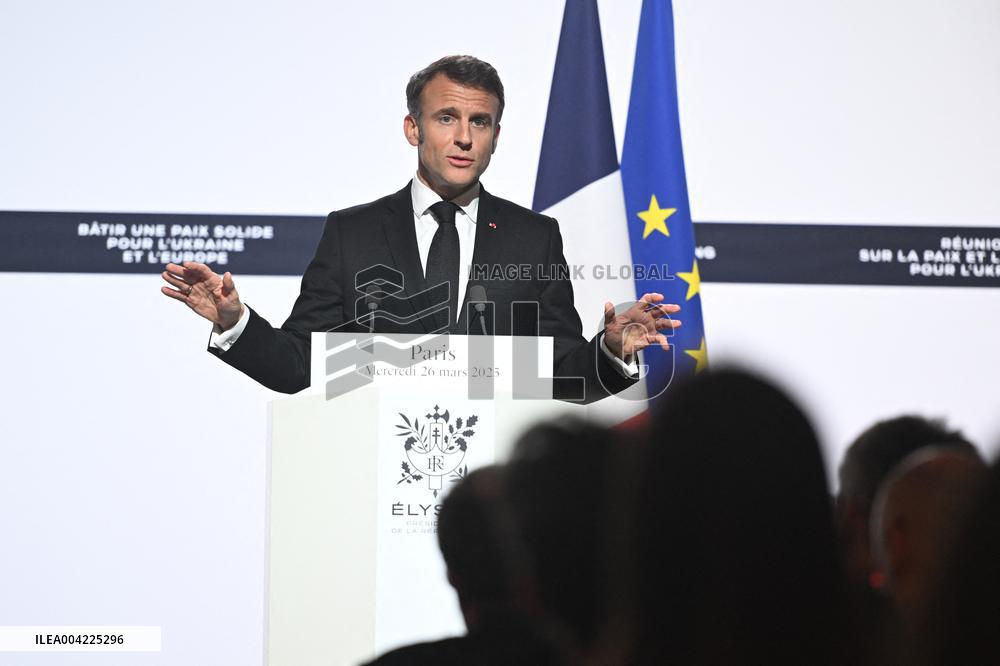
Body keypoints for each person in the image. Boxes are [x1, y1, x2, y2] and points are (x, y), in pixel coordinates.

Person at [160, 55, 681, 402]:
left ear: (496, 136)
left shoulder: (534, 237)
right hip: (373, 495)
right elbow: (300, 365)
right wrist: (235, 322)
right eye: (446, 118)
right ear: (413, 128)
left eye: (480, 123)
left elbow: (561, 373)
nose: (463, 138)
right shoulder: (351, 233)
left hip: (494, 500)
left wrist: (611, 350)